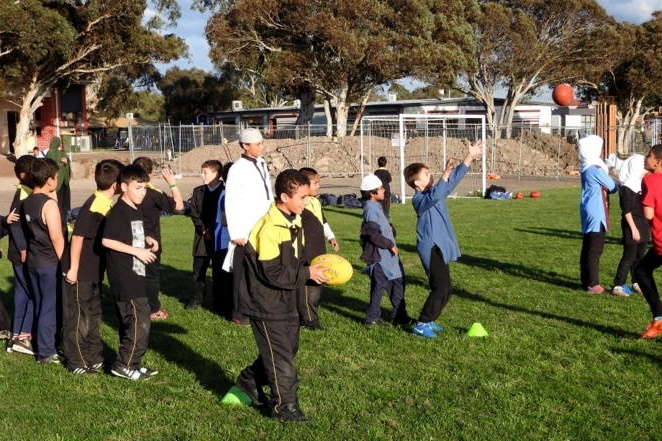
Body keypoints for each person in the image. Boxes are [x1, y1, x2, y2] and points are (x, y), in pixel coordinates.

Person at [233, 169, 327, 423]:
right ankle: (284, 407)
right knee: (281, 358)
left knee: (287, 349)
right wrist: (307, 273)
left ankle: (248, 379)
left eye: (308, 197)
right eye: (302, 198)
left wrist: (312, 271)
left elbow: (293, 264)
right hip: (265, 301)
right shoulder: (268, 228)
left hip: (287, 298)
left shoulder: (293, 220)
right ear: (284, 197)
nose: (306, 203)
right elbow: (272, 273)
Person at [403, 140, 483, 338]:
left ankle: (428, 321)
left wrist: (469, 157)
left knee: (446, 289)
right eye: (427, 175)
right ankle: (421, 323)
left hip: (440, 246)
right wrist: (444, 175)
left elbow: (451, 182)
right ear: (417, 184)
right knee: (441, 288)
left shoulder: (433, 193)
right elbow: (439, 191)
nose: (431, 176)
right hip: (430, 248)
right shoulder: (419, 199)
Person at [62, 159, 123, 374]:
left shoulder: (105, 204)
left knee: (93, 314)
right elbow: (77, 238)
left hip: (94, 270)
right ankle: (76, 360)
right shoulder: (95, 206)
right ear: (116, 185)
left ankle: (94, 356)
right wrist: (73, 269)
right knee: (78, 317)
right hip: (80, 271)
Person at [102, 165, 159, 380]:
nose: (142, 192)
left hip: (136, 272)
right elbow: (107, 239)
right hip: (124, 275)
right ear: (124, 187)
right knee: (139, 320)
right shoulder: (119, 211)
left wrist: (146, 240)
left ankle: (134, 362)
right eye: (137, 188)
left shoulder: (135, 208)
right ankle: (124, 365)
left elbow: (128, 233)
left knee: (137, 320)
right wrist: (136, 251)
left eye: (144, 188)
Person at [222, 128, 274, 325]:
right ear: (245, 145)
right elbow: (232, 201)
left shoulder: (261, 163)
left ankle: (255, 306)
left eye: (262, 142)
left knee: (257, 269)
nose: (262, 146)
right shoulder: (237, 169)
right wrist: (236, 232)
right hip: (244, 228)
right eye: (258, 144)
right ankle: (239, 312)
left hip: (262, 225)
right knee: (242, 272)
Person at [20, 158, 66, 364]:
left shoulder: (28, 201)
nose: (57, 179)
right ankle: (46, 352)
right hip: (49, 263)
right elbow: (56, 237)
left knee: (40, 304)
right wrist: (65, 262)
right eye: (56, 177)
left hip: (33, 261)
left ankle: (41, 342)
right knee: (49, 306)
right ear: (49, 180)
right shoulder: (49, 205)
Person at [132, 157, 184, 320]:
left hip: (130, 238)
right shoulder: (153, 194)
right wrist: (173, 184)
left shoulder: (127, 191)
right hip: (150, 242)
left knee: (134, 275)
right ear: (150, 174)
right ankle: (153, 309)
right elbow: (179, 207)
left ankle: (134, 306)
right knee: (151, 276)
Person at [359, 173, 410, 327]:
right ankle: (372, 319)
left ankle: (400, 316)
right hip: (380, 258)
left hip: (389, 258)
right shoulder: (370, 209)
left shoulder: (375, 206)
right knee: (379, 288)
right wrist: (389, 244)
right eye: (381, 189)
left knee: (397, 284)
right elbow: (372, 233)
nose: (384, 191)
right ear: (372, 193)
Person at [298, 167, 339, 330]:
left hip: (318, 250)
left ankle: (310, 315)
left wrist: (331, 237)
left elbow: (322, 221)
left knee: (317, 285)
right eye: (315, 183)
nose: (318, 187)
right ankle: (309, 321)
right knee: (309, 288)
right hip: (306, 252)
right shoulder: (299, 204)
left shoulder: (315, 202)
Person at [577, 135, 618, 294]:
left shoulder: (586, 167)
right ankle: (593, 283)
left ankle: (585, 280)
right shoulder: (595, 169)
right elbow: (612, 186)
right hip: (597, 210)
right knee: (595, 249)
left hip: (587, 208)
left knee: (587, 246)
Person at [5, 155, 36, 355]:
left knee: (22, 294)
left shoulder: (25, 192)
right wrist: (24, 250)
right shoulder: (23, 194)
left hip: (19, 252)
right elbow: (14, 224)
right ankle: (23, 337)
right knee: (32, 293)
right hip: (21, 253)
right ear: (24, 175)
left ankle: (16, 335)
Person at [186, 160, 225, 311]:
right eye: (201, 172)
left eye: (205, 172)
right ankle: (196, 299)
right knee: (199, 270)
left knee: (219, 271)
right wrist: (202, 228)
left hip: (219, 236)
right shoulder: (198, 191)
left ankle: (219, 301)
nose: (202, 176)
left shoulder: (225, 191)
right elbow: (193, 211)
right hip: (202, 237)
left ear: (216, 174)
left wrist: (213, 229)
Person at [611, 154, 649, 297]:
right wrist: (633, 229)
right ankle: (618, 285)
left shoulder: (642, 184)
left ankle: (636, 282)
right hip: (631, 225)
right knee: (629, 256)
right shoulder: (626, 188)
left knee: (640, 255)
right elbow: (626, 211)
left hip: (643, 223)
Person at [39, 136, 72, 222]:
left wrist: (65, 162)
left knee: (58, 199)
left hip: (57, 181)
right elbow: (53, 166)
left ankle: (59, 216)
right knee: (63, 200)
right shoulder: (55, 153)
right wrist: (63, 163)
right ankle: (64, 216)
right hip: (62, 181)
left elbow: (48, 166)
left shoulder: (50, 153)